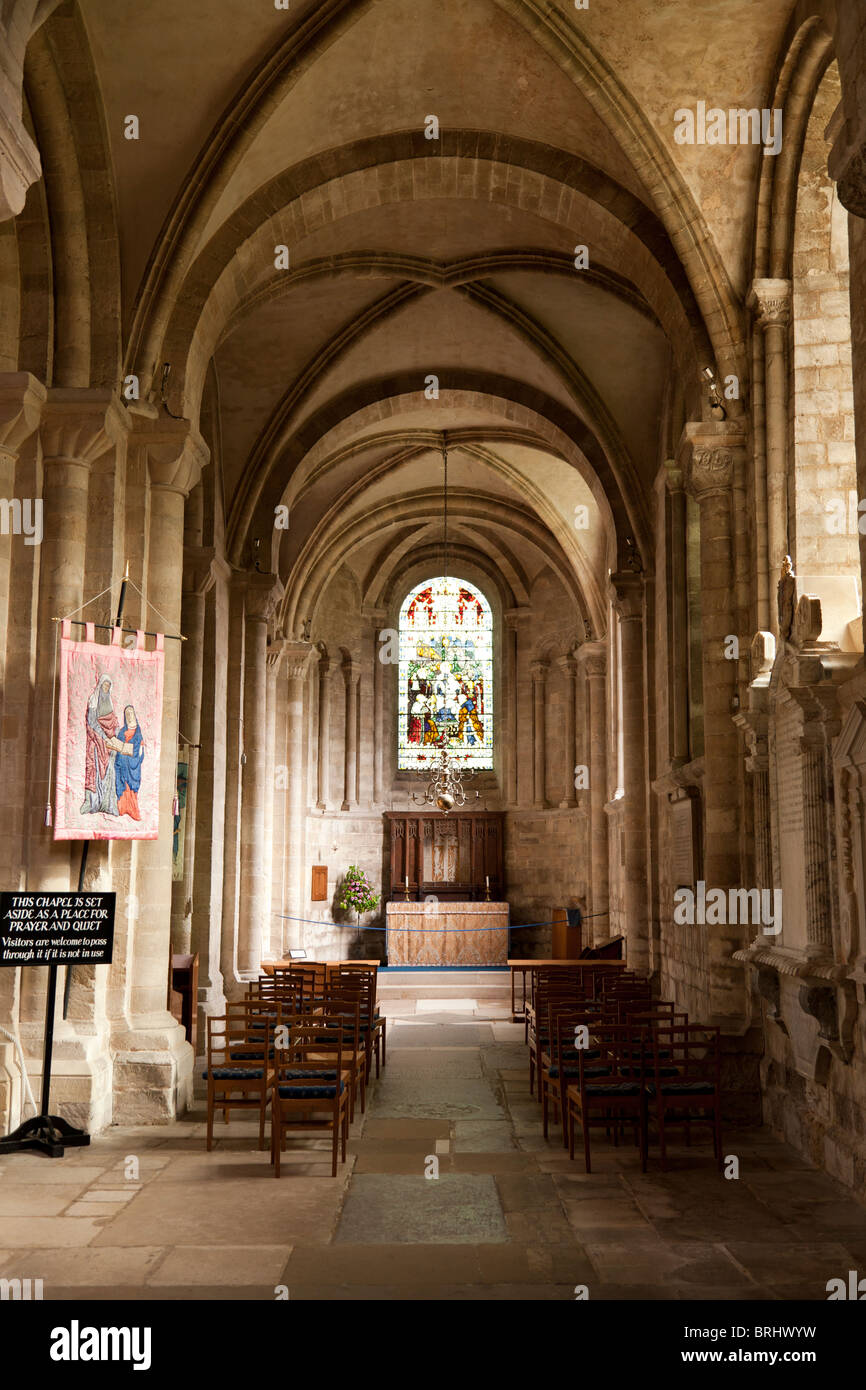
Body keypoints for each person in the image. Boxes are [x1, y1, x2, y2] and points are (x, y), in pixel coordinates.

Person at [81, 675, 119, 815]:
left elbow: (113, 720)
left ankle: (107, 804)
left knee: (110, 771)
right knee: (95, 770)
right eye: (104, 685)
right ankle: (93, 802)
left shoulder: (109, 702)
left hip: (109, 743)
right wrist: (103, 737)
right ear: (100, 686)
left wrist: (116, 733)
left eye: (108, 686)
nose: (106, 688)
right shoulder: (93, 699)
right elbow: (91, 721)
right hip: (96, 742)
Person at [113, 704, 144, 820]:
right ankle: (122, 808)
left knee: (131, 790)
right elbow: (119, 746)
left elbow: (140, 750)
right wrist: (116, 747)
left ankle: (133, 810)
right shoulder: (122, 731)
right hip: (122, 765)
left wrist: (135, 753)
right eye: (127, 714)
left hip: (133, 765)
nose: (129, 716)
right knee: (123, 787)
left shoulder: (138, 732)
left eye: (131, 713)